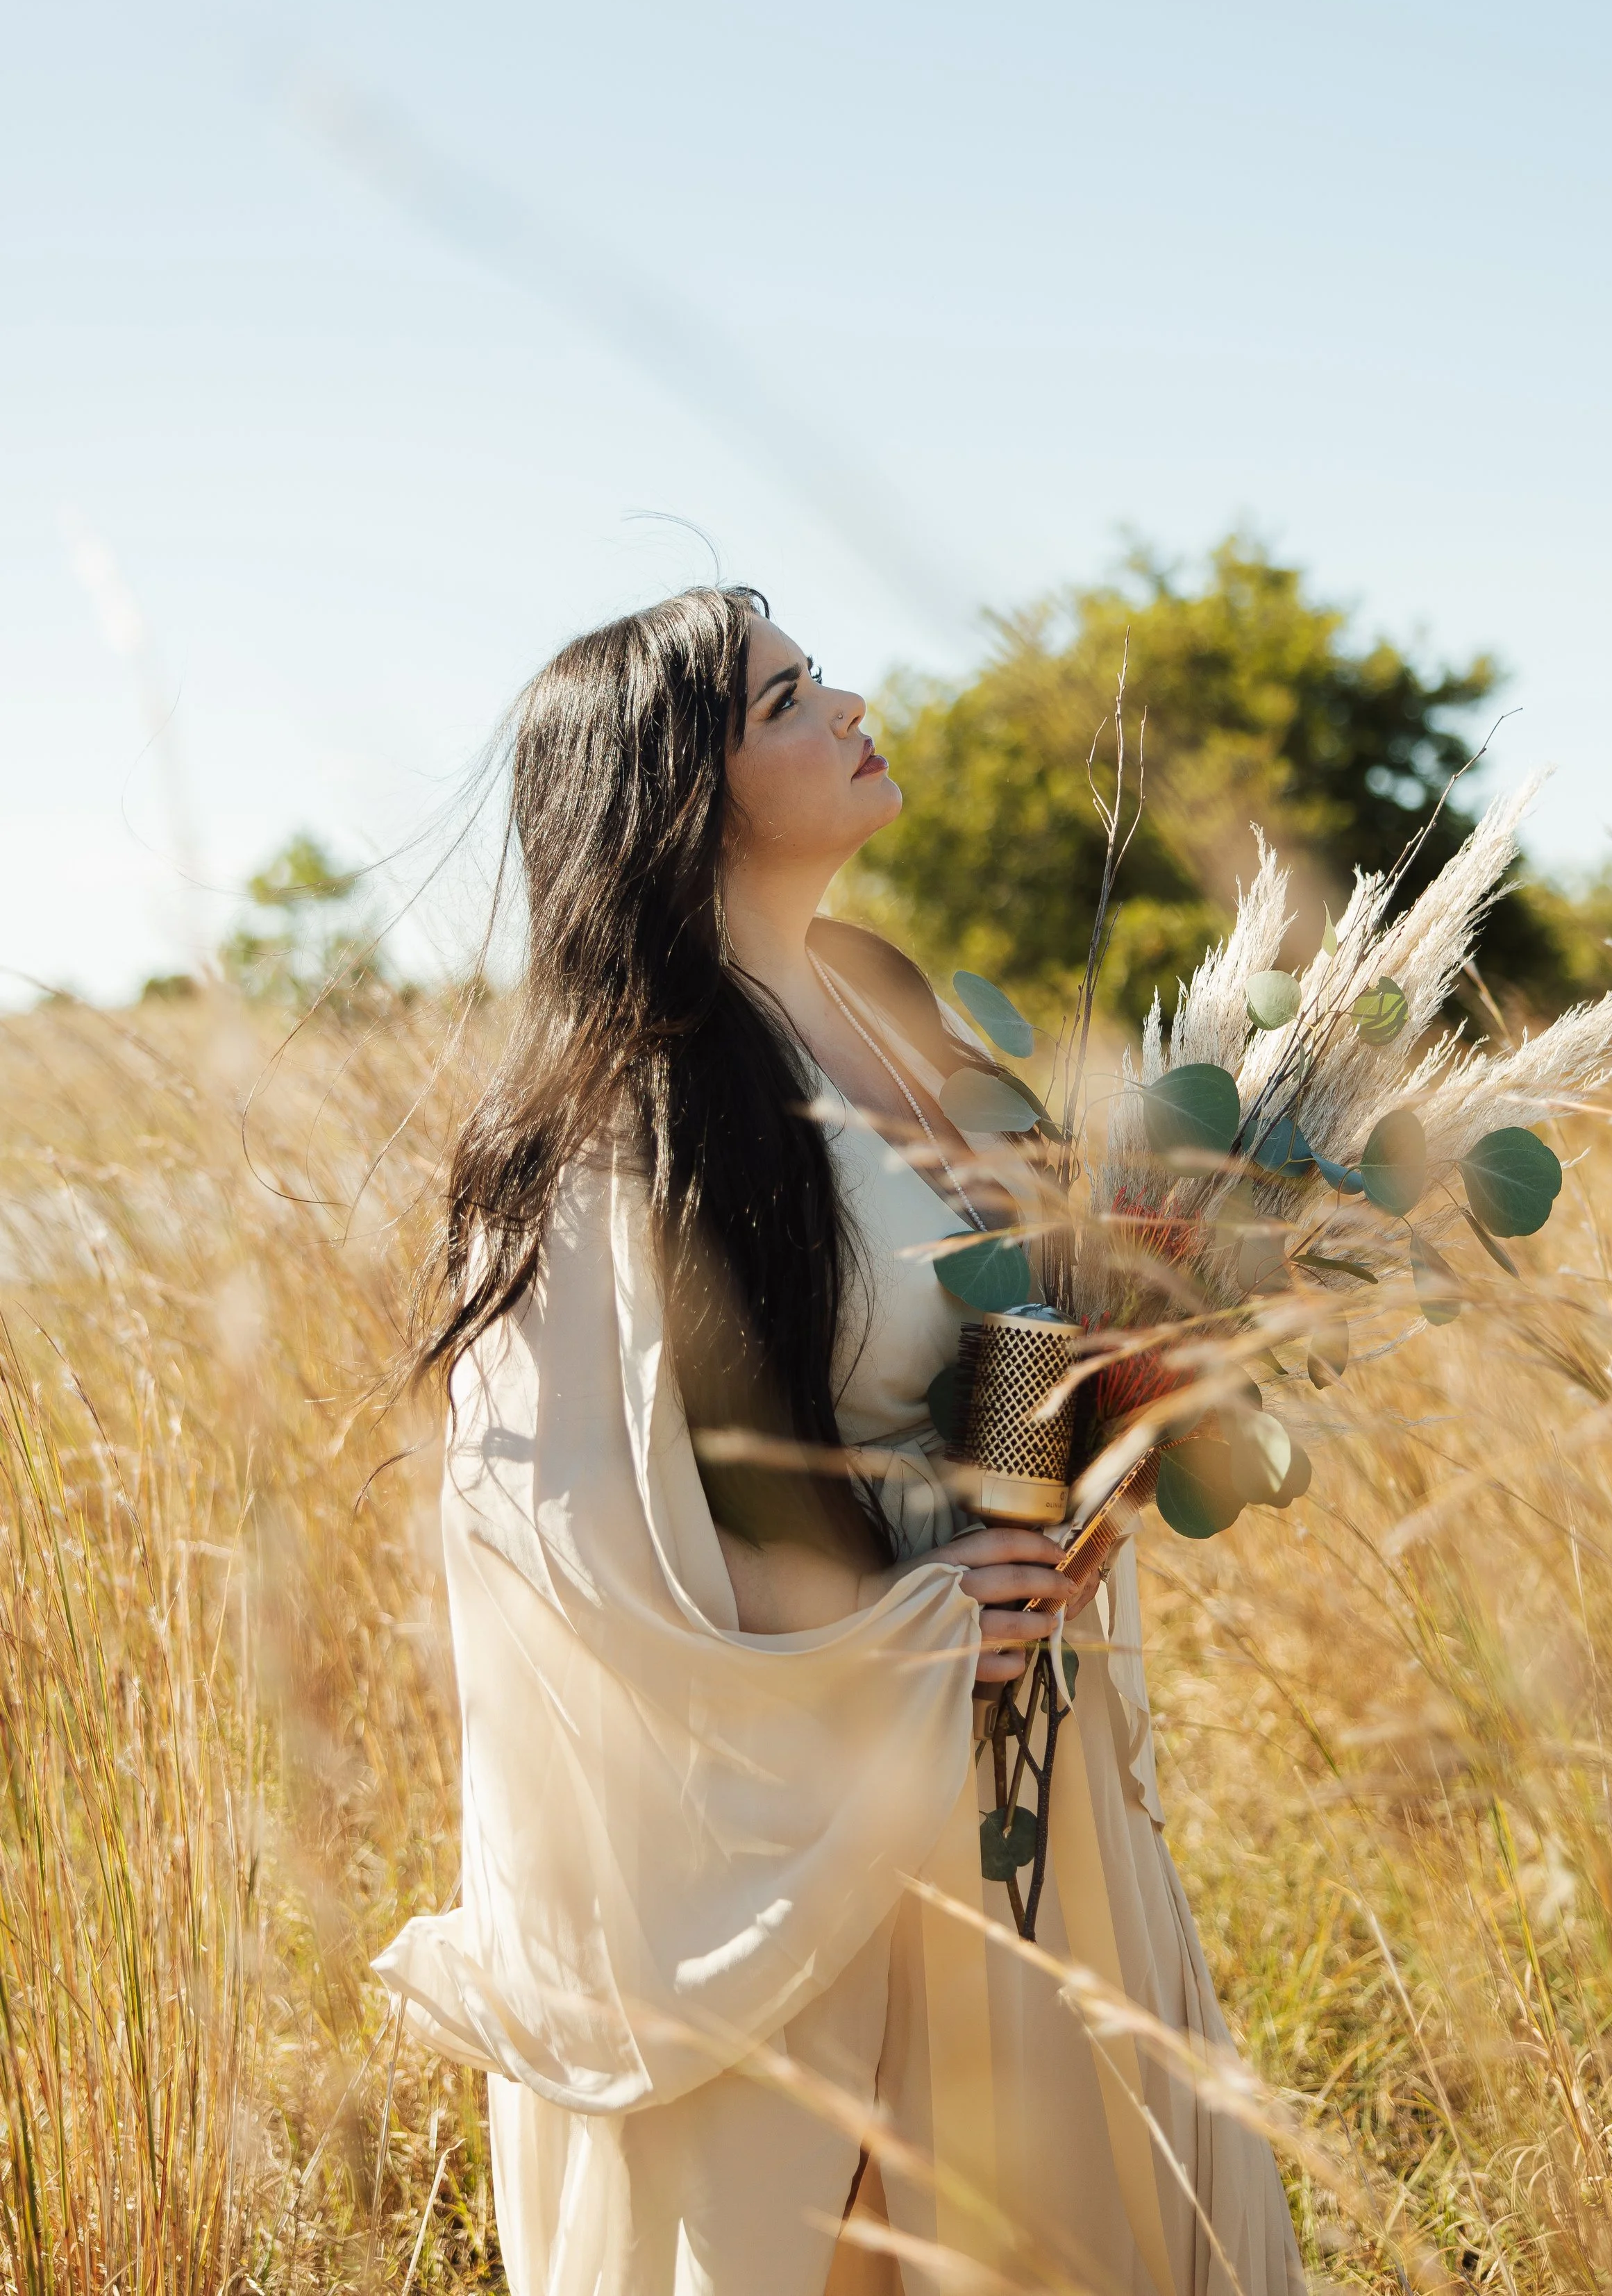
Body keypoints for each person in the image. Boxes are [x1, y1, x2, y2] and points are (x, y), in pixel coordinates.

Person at [376, 585, 1305, 2296]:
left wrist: (1132, 1366)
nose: (853, 701)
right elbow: (601, 1529)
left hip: (1030, 1701)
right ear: (681, 794)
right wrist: (921, 1623)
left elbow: (1012, 1306)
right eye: (789, 698)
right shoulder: (634, 1107)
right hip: (845, 1763)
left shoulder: (878, 988)